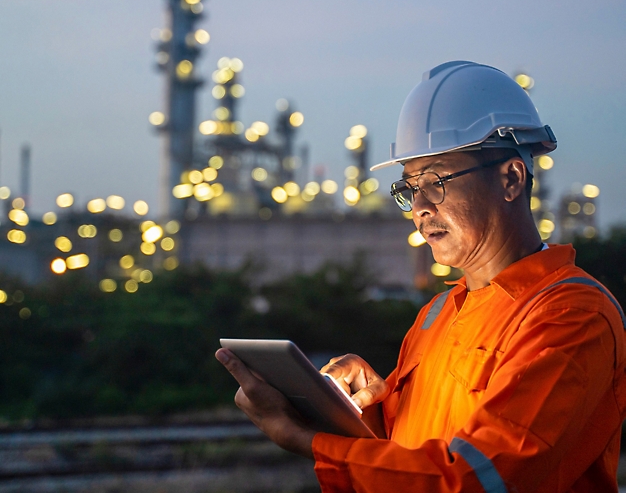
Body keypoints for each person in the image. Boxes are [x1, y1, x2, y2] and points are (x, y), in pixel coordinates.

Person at [216, 61, 626, 492]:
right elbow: (407, 457)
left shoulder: (572, 317)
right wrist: (360, 407)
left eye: (436, 182)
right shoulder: (438, 314)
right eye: (410, 188)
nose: (420, 208)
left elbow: (474, 479)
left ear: (511, 178)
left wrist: (306, 439)